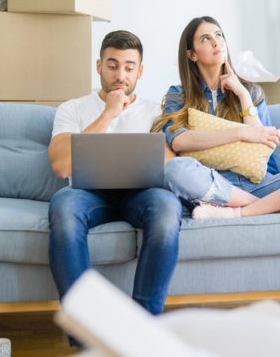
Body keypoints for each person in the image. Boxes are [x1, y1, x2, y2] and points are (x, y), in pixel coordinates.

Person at [151, 16, 280, 219]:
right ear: (192, 55)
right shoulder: (178, 95)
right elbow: (178, 140)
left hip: (262, 184)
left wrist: (242, 95)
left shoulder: (250, 92)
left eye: (219, 35)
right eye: (205, 39)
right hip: (212, 185)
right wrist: (240, 132)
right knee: (174, 169)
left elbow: (265, 145)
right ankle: (278, 208)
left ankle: (243, 211)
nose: (216, 42)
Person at [47, 30, 182, 347]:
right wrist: (108, 113)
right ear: (98, 66)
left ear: (140, 71)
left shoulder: (155, 112)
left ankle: (140, 334)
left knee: (168, 209)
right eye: (112, 65)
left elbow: (171, 164)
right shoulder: (72, 109)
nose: (120, 75)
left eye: (129, 67)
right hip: (87, 194)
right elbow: (61, 166)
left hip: (141, 195)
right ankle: (87, 337)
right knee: (62, 209)